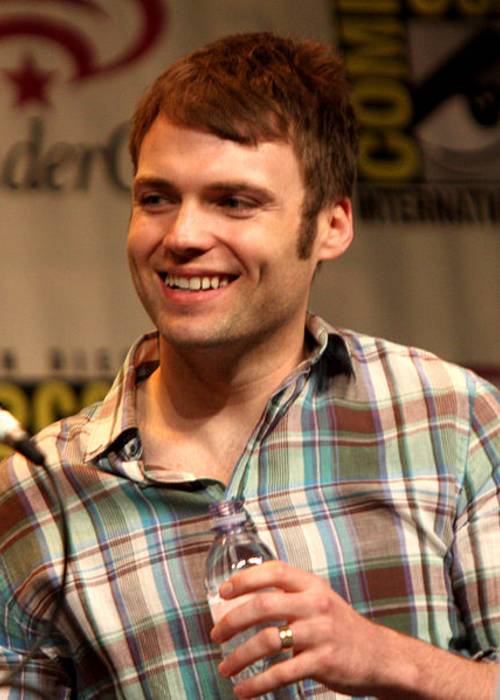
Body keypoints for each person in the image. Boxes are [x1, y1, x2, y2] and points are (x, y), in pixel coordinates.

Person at [0, 31, 498, 700]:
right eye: (156, 198)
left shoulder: (451, 418)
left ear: (332, 224)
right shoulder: (38, 495)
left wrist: (384, 657)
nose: (181, 236)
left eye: (234, 202)